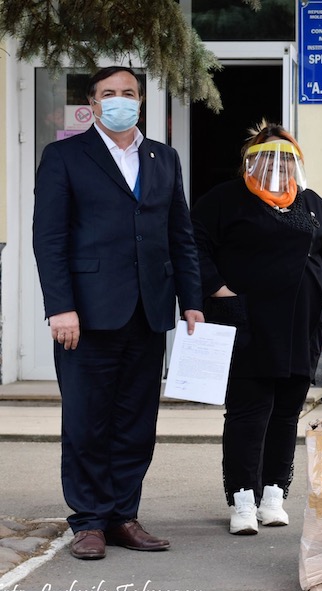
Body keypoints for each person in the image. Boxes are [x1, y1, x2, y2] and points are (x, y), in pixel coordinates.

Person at [32, 66, 204, 560]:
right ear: (93, 103)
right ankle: (88, 522)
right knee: (87, 420)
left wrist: (191, 300)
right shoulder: (65, 156)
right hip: (84, 315)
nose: (120, 99)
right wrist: (60, 307)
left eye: (129, 92)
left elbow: (181, 236)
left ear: (141, 102)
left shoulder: (162, 157)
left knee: (135, 421)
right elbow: (50, 239)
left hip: (149, 311)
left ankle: (123, 516)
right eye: (109, 93)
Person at [191, 121, 322, 535]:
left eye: (286, 160)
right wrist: (217, 289)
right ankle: (242, 499)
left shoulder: (311, 203)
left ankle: (274, 494)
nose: (277, 168)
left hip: (303, 326)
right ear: (250, 161)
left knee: (285, 414)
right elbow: (192, 245)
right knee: (248, 413)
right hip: (247, 323)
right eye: (267, 159)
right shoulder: (226, 200)